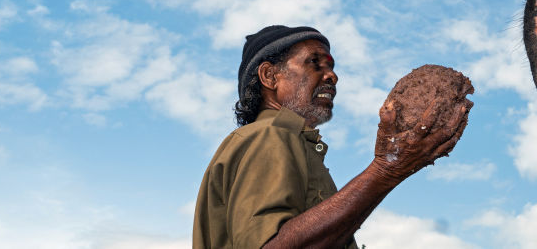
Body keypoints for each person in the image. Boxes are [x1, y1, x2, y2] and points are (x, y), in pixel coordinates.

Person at [194, 25, 470, 249]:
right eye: (315, 63)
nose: (332, 76)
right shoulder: (269, 135)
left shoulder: (291, 143)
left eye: (330, 66)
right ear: (269, 76)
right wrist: (386, 170)